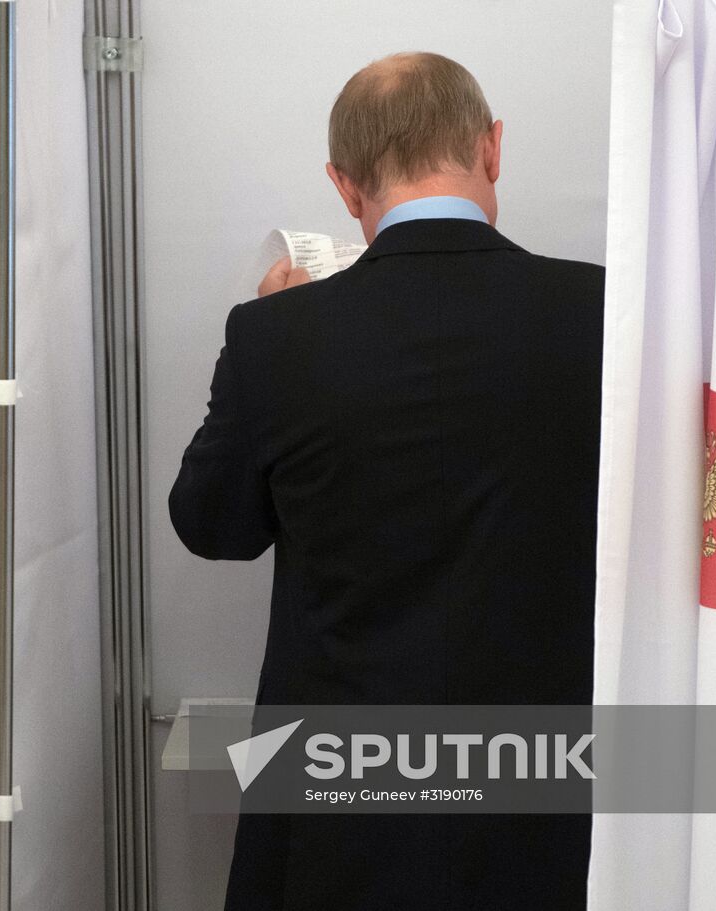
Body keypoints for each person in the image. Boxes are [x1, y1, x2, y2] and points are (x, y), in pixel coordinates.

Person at [168, 52, 603, 910]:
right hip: (546, 796)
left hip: (336, 802)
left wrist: (266, 337)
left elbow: (212, 526)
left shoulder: (275, 338)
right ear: (493, 147)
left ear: (343, 184)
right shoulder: (603, 318)